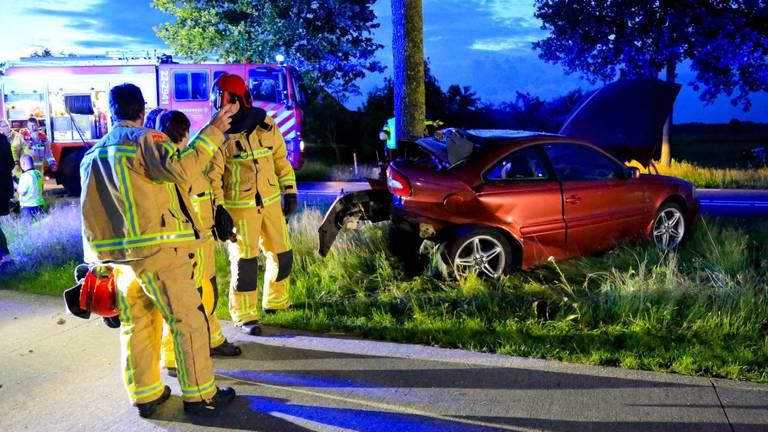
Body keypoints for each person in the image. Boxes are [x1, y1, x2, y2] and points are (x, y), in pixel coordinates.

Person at [80, 83, 237, 417]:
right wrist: (212, 134)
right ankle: (201, 395)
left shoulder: (91, 155)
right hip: (159, 251)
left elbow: (89, 214)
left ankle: (146, 394)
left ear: (111, 112)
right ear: (142, 110)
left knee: (137, 324)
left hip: (121, 262)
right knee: (188, 321)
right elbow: (181, 171)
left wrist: (98, 265)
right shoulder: (147, 140)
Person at [147, 109, 242, 377]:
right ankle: (172, 356)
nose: (181, 138)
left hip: (203, 243)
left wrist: (220, 215)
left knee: (207, 295)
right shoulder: (168, 167)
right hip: (181, 249)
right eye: (178, 133)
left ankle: (213, 340)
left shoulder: (191, 160)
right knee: (182, 305)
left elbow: (208, 190)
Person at [208, 73, 298, 336]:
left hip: (270, 203)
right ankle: (245, 315)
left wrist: (290, 191)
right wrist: (218, 209)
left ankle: (276, 302)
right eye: (219, 103)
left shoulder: (265, 124)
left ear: (240, 100)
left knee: (282, 254)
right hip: (239, 209)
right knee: (244, 263)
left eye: (226, 103)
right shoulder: (217, 134)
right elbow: (212, 177)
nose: (221, 108)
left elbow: (281, 160)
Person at [0, 120, 15, 266]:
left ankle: (5, 258)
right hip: (4, 189)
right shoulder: (3, 140)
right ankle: (5, 257)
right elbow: (10, 164)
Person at [17, 154, 44, 219]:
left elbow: (22, 192)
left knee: (26, 228)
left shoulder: (25, 176)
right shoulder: (38, 173)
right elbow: (41, 187)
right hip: (39, 205)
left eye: (20, 163)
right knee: (38, 226)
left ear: (23, 163)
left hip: (28, 207)